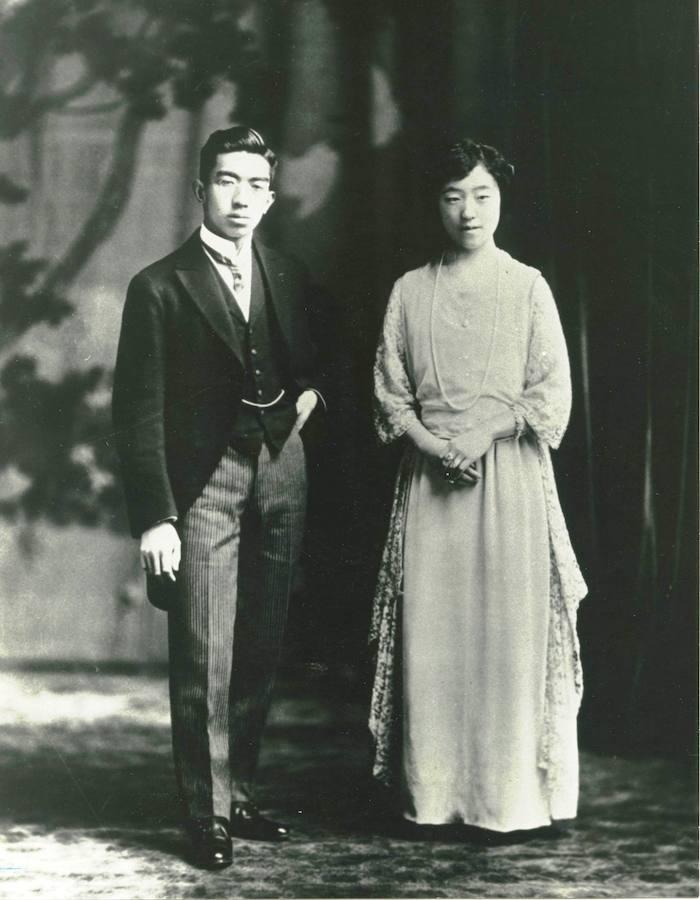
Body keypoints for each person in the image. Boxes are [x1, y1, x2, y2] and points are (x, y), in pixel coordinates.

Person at [112, 126, 325, 868]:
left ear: (270, 198)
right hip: (203, 484)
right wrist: (156, 517)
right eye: (227, 181)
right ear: (200, 189)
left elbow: (316, 354)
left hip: (282, 468)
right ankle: (205, 818)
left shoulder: (288, 275)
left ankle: (236, 794)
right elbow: (136, 413)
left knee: (261, 646)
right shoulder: (159, 286)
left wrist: (308, 397)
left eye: (256, 184)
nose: (242, 197)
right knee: (205, 651)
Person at [369, 139, 587, 833]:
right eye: (453, 196)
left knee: (506, 639)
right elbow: (391, 396)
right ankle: (433, 797)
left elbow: (549, 392)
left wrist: (479, 436)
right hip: (433, 487)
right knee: (435, 638)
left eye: (483, 195)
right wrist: (438, 446)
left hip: (509, 481)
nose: (469, 211)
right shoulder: (409, 290)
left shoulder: (527, 287)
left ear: (502, 200)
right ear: (435, 204)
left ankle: (507, 800)